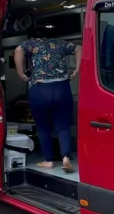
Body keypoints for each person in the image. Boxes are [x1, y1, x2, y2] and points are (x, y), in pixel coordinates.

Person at [13, 36, 81, 173]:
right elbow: (80, 48)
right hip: (62, 88)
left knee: (43, 127)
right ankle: (66, 157)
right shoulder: (60, 42)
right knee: (63, 126)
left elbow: (18, 50)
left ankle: (49, 160)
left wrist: (21, 74)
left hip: (39, 89)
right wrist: (77, 71)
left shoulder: (31, 43)